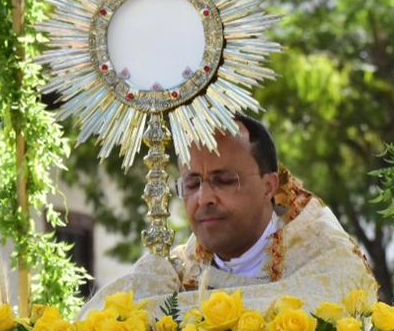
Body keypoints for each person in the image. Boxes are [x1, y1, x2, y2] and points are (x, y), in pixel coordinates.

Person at [81, 114, 376, 316]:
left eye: (224, 180)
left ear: (269, 186)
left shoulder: (327, 264)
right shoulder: (172, 274)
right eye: (192, 183)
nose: (204, 198)